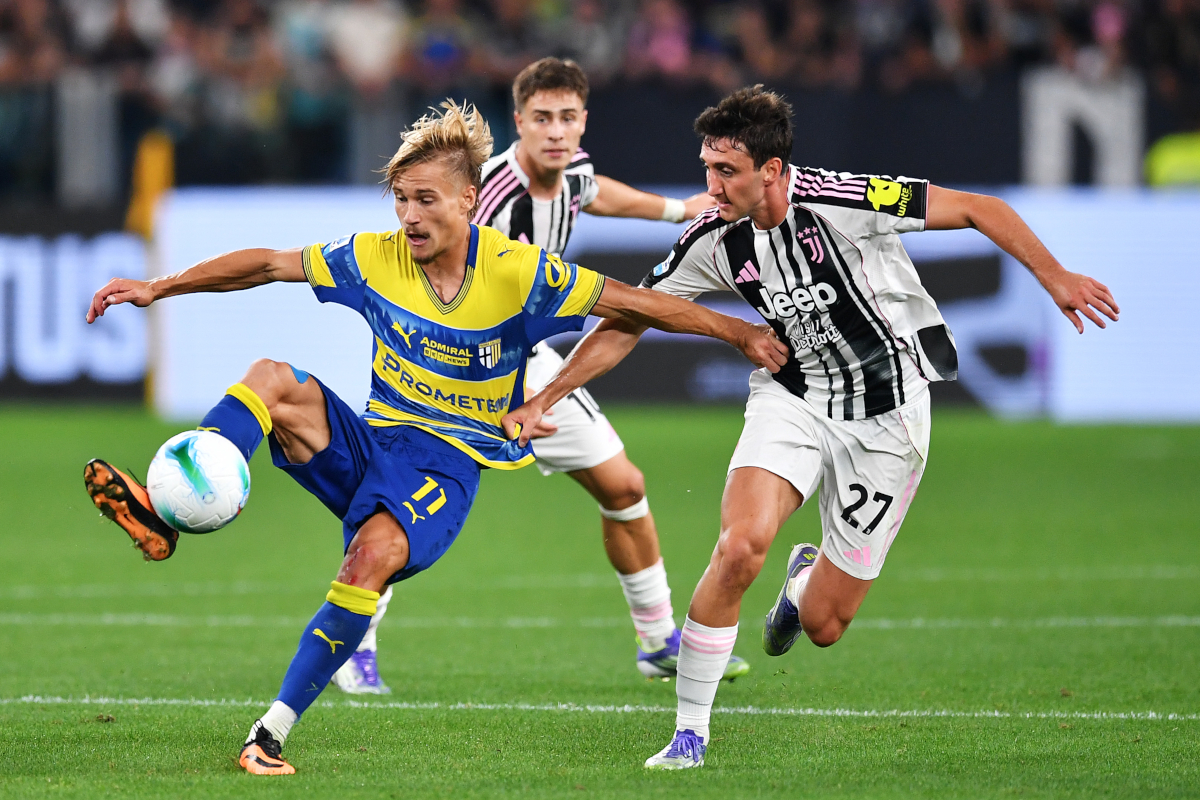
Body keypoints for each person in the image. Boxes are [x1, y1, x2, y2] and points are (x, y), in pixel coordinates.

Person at [81, 101, 787, 775]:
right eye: (400, 200)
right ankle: (179, 497)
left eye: (425, 200)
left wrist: (740, 332)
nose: (409, 216)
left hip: (447, 466)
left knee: (370, 559)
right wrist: (159, 286)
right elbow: (268, 264)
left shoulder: (518, 272)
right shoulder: (373, 257)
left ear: (468, 200)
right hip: (375, 442)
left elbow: (638, 305)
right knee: (271, 377)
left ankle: (269, 734)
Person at [501, 85, 1120, 770]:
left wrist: (1056, 277)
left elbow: (980, 208)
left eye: (727, 171)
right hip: (793, 399)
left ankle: (802, 583)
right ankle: (688, 734)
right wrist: (546, 396)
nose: (712, 187)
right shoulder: (712, 236)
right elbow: (631, 318)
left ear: (771, 170)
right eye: (707, 168)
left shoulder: (847, 200)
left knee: (825, 624)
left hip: (888, 416)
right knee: (740, 547)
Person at [335, 56, 744, 695]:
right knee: (400, 502)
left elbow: (597, 190)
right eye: (543, 118)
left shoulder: (572, 171)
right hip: (461, 367)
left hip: (528, 363)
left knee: (624, 487)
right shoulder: (490, 199)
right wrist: (505, 387)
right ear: (519, 122)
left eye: (568, 118)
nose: (556, 131)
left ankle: (657, 640)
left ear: (583, 122)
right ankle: (353, 647)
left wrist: (675, 210)